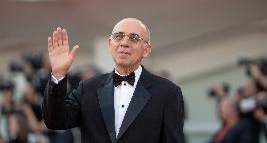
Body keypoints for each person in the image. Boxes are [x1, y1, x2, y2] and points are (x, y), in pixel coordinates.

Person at [42, 18, 185, 143]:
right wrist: (58, 74)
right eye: (119, 36)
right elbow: (55, 122)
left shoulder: (167, 92)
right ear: (110, 44)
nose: (124, 43)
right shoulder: (88, 88)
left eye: (134, 38)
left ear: (146, 50)